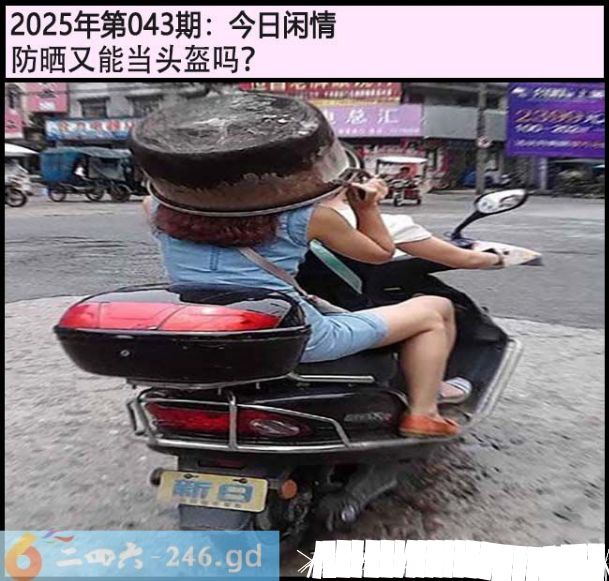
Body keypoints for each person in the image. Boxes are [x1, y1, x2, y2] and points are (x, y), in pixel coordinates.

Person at [132, 93, 464, 438]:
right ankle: (424, 412)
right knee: (435, 309)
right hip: (295, 336)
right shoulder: (309, 218)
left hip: (205, 327)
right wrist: (367, 207)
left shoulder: (154, 208)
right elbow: (380, 252)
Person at [322, 190, 504, 269]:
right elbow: (467, 259)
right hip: (345, 311)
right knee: (439, 308)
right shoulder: (391, 224)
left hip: (318, 305)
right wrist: (501, 257)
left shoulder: (310, 217)